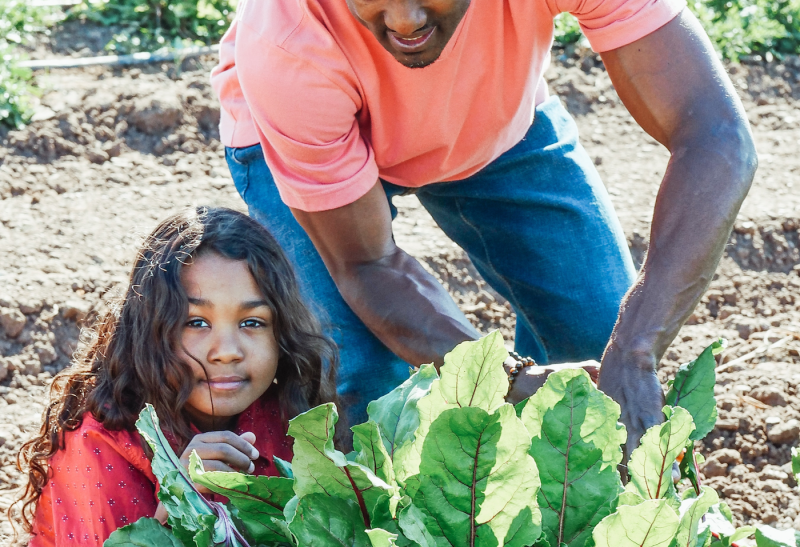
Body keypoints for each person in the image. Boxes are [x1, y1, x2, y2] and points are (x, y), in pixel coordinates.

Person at [212, 0, 757, 449]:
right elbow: (366, 262)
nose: (404, 20)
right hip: (307, 131)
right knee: (362, 387)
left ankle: (554, 531)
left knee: (595, 330)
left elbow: (715, 135)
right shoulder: (287, 42)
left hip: (489, 116)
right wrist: (508, 378)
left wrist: (635, 347)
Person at [3, 207, 337, 547]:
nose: (227, 351)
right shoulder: (98, 443)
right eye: (195, 322)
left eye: (252, 323)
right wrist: (179, 498)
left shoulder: (286, 416)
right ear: (148, 332)